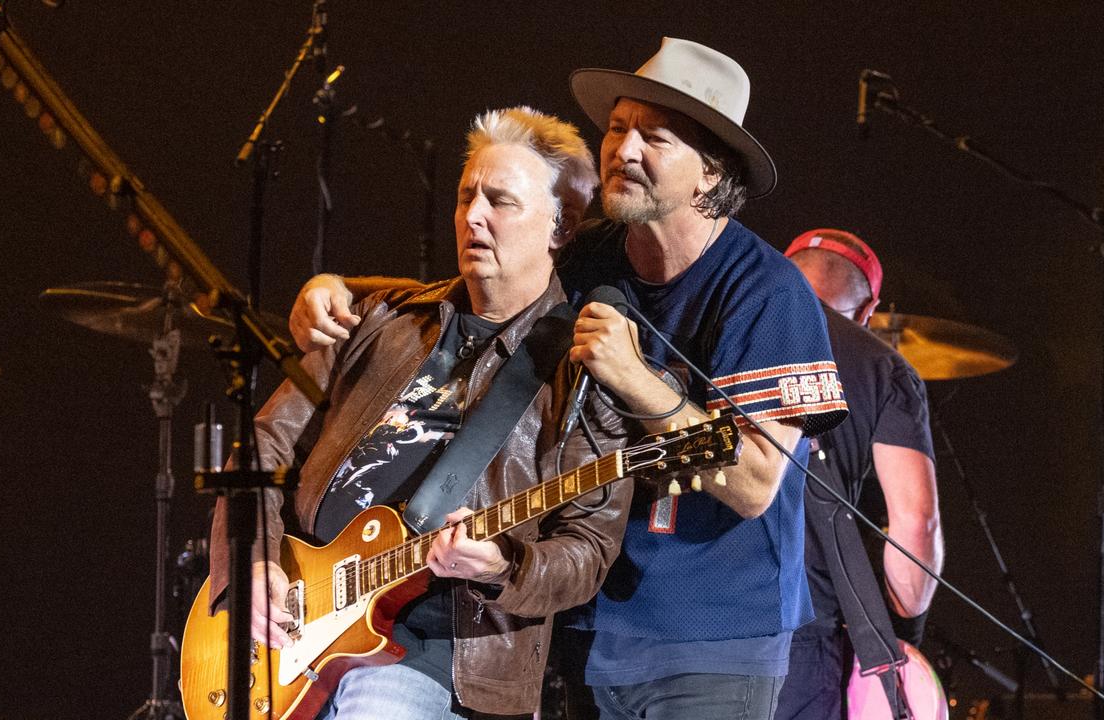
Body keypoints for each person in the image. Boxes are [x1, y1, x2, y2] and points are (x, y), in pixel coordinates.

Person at [288, 39, 848, 719]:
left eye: (656, 137)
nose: (624, 150)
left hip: (709, 641)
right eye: (617, 128)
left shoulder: (767, 291)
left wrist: (638, 382)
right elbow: (461, 298)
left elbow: (759, 483)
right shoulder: (584, 259)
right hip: (581, 625)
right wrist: (336, 288)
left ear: (709, 173)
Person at [208, 106, 632, 720]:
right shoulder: (383, 319)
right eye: (466, 197)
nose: (474, 217)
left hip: (435, 649)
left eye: (501, 201)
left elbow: (587, 551)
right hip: (294, 625)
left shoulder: (583, 371)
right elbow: (264, 446)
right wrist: (251, 563)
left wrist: (504, 565)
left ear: (560, 229)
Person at [777, 228, 943, 720]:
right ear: (869, 309)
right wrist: (901, 638)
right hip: (801, 630)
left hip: (680, 622)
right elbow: (917, 524)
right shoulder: (883, 369)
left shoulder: (720, 331)